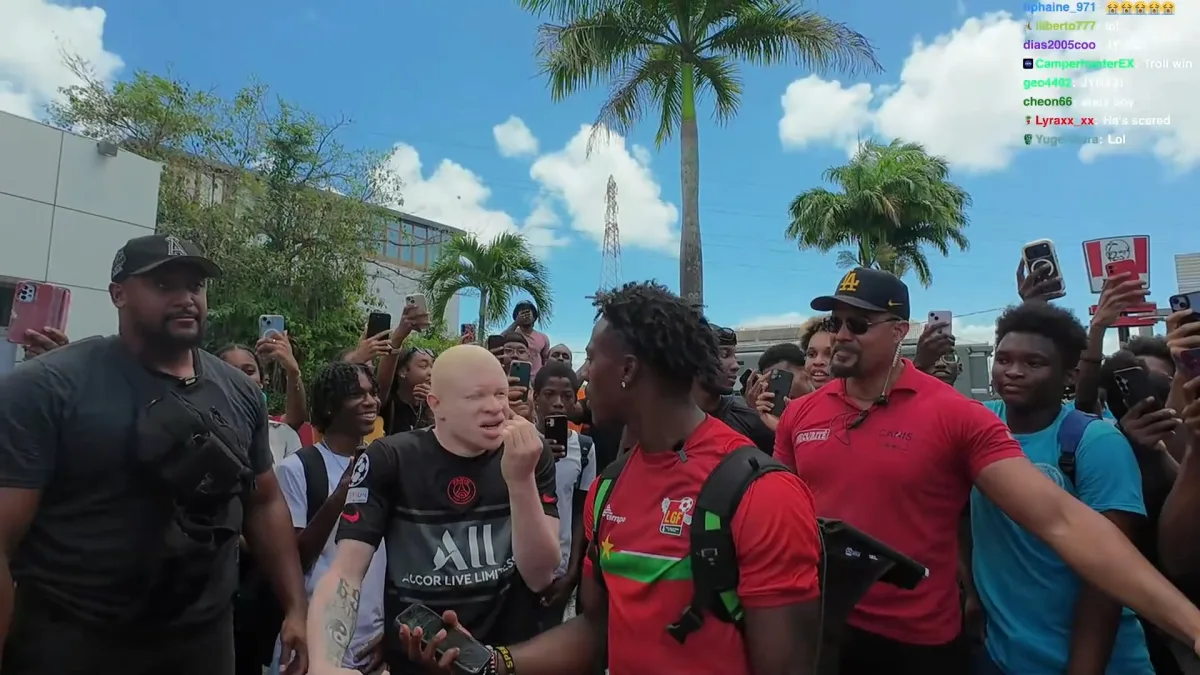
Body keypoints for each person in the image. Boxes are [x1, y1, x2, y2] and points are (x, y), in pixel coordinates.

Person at [773, 267, 1200, 673]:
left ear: (899, 331)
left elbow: (1062, 520)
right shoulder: (801, 415)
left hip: (917, 642)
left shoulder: (955, 414)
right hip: (823, 629)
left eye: (859, 324)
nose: (842, 335)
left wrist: (1190, 624)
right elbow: (779, 521)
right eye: (837, 321)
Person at [400, 281, 823, 675]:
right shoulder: (610, 485)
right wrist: (495, 662)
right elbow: (600, 626)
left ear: (628, 369)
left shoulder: (763, 493)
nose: (583, 374)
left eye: (592, 357)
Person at [0, 234, 308, 675]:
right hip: (74, 645)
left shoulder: (239, 393)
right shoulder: (46, 388)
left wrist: (295, 607)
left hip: (203, 647)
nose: (187, 299)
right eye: (165, 286)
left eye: (195, 286)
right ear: (118, 294)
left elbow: (263, 500)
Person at [306, 344, 560, 675]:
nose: (495, 408)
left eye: (501, 394)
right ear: (435, 404)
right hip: (414, 659)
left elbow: (541, 576)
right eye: (475, 397)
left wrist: (521, 480)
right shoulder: (391, 458)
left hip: (506, 657)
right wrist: (325, 662)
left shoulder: (530, 453)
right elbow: (345, 571)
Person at [968, 302, 1153, 674]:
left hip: (1099, 662)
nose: (1013, 372)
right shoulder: (975, 426)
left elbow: (1107, 576)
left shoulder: (1095, 442)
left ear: (1069, 376)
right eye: (1003, 360)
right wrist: (970, 592)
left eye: (1033, 363)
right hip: (1003, 657)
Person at [276, 362, 389, 675]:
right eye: (357, 394)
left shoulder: (386, 463)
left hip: (371, 641)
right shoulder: (297, 468)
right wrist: (341, 496)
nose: (371, 401)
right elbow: (290, 558)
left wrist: (390, 631)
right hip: (314, 639)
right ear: (329, 406)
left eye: (373, 393)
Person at [530, 361, 596, 631]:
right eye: (549, 395)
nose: (558, 403)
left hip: (560, 566)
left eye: (567, 396)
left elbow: (581, 512)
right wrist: (536, 459)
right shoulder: (517, 442)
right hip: (517, 565)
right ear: (535, 399)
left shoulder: (583, 448)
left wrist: (572, 572)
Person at [218, 343, 304, 463]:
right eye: (230, 372)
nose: (241, 378)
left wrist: (293, 371)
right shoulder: (202, 435)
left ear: (262, 381)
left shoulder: (284, 435)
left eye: (249, 371)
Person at [379, 347, 435, 434]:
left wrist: (433, 403)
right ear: (402, 371)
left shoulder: (432, 402)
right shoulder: (389, 403)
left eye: (432, 366)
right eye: (424, 366)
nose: (431, 372)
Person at [509, 301, 551, 376]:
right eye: (522, 313)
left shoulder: (543, 338)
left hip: (536, 379)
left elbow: (545, 360)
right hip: (515, 376)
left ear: (534, 317)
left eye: (528, 312)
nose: (525, 316)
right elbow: (499, 340)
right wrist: (516, 323)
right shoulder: (512, 335)